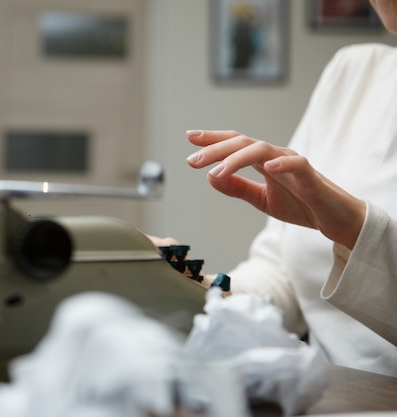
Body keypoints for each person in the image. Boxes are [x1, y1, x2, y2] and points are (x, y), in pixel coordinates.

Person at [153, 0, 397, 378]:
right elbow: (281, 278)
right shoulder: (354, 73)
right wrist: (188, 281)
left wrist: (357, 231)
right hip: (330, 397)